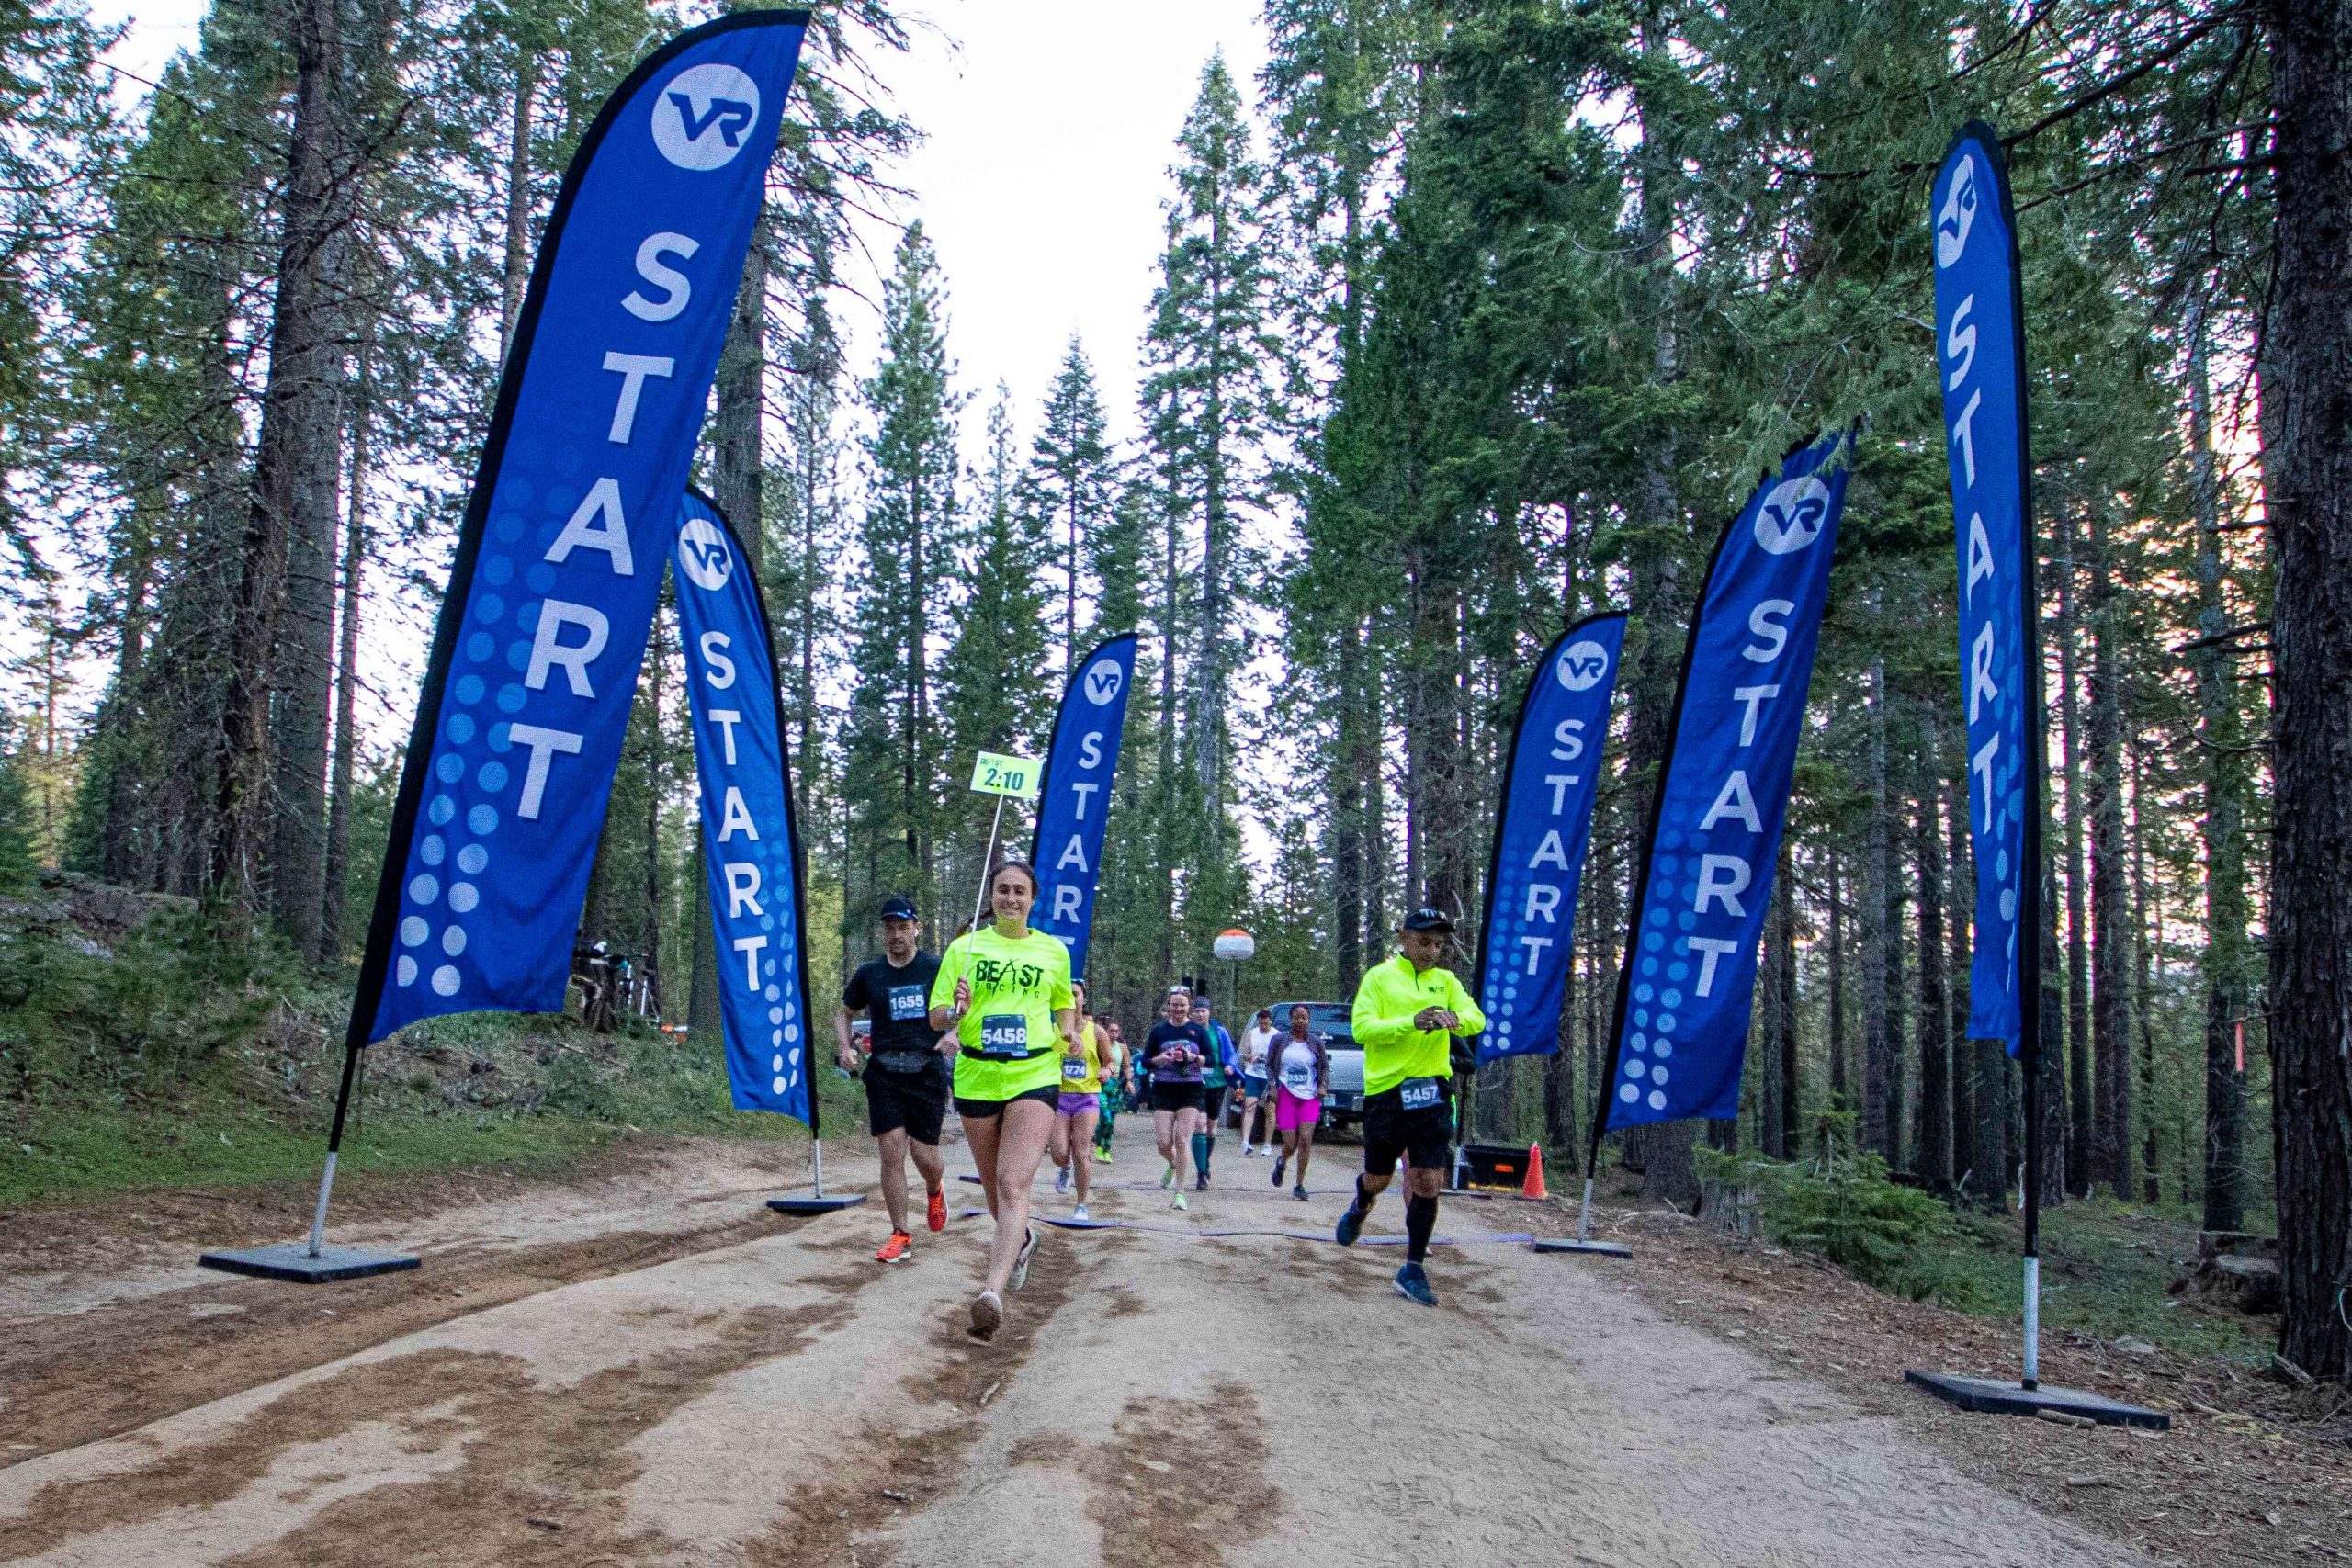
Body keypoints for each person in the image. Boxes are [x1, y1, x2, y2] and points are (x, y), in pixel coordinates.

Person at [930, 860, 1079, 1341]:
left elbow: (1063, 1004)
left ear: (1033, 898)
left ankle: (990, 1292)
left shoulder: (1053, 951)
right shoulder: (963, 948)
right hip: (976, 1073)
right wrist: (955, 1009)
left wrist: (1071, 1031)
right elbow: (936, 1017)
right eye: (1002, 890)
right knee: (995, 1186)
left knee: (1014, 1183)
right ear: (990, 896)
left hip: (1034, 1070)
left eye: (1019, 891)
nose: (1011, 899)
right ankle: (1025, 1239)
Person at [1333, 908, 1487, 1307]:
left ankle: (1413, 1267)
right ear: (1404, 938)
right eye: (1424, 942)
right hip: (1387, 1093)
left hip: (1434, 1092)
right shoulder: (1380, 978)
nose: (1432, 951)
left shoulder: (1446, 981)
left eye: (1439, 944)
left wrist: (1456, 1020)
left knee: (1427, 1180)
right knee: (1379, 1177)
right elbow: (1362, 1029)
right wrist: (1411, 1022)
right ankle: (1361, 1204)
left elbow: (1477, 1018)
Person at [836, 896, 948, 1263]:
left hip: (926, 1070)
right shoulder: (870, 973)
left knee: (924, 1155)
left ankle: (935, 1188)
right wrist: (845, 1047)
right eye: (889, 929)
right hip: (885, 1071)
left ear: (917, 927)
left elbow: (962, 1009)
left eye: (902, 927)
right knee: (892, 1151)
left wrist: (956, 1034)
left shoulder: (935, 967)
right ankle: (900, 1233)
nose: (896, 935)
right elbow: (844, 1014)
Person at [1048, 982, 1120, 1220]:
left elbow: (1110, 1061)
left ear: (1083, 1000)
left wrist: (1107, 1072)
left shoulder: (1097, 1032)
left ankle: (1081, 1204)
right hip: (1059, 1097)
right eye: (1065, 995)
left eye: (1075, 994)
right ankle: (1064, 1168)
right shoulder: (1052, 1029)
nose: (1070, 998)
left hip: (1087, 1097)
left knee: (1081, 1151)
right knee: (1059, 1152)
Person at [1142, 987, 1212, 1211]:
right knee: (1164, 1142)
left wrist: (1194, 1057)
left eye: (1182, 1005)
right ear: (1168, 1006)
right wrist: (1160, 1059)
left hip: (1190, 1087)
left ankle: (1180, 1192)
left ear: (1188, 1006)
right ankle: (1171, 1163)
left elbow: (1211, 1059)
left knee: (1183, 1139)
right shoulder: (1159, 1031)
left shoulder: (1197, 1031)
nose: (1179, 1009)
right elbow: (1145, 1061)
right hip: (1164, 1087)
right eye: (1175, 1005)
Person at [1268, 1003, 1329, 1201]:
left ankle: (1299, 1185)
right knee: (1290, 1142)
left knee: (1305, 1140)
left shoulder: (1316, 1043)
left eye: (1304, 1018)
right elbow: (1269, 1066)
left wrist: (1323, 1086)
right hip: (1287, 1094)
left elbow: (1325, 1068)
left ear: (1309, 1020)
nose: (1300, 1021)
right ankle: (1282, 1161)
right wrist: (1272, 1086)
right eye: (1296, 1017)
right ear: (1290, 1019)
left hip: (1310, 1096)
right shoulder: (1279, 1041)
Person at [1190, 994, 1237, 1189]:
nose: (1201, 1014)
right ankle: (1201, 1173)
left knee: (1210, 1128)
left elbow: (1231, 1054)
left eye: (1204, 1010)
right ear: (1192, 1013)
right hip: (1194, 1083)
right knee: (1199, 1125)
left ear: (1209, 1012)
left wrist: (1231, 1067)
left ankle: (1205, 1163)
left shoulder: (1220, 1032)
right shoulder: (1188, 1031)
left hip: (1216, 1083)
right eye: (1197, 1011)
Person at [1236, 1008, 1276, 1155]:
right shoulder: (1252, 1034)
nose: (1263, 1026)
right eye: (1261, 1023)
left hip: (1269, 1077)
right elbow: (1243, 1053)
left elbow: (1279, 1058)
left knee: (1269, 1110)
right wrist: (1251, 1057)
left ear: (1270, 1021)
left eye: (1265, 1023)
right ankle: (1246, 1142)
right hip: (1253, 1074)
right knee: (1249, 1107)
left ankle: (1267, 1144)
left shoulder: (1276, 1035)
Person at [1093, 1020, 1126, 1164]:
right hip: (1101, 1084)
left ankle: (1107, 1149)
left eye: (1116, 1031)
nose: (1114, 1034)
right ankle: (1098, 1146)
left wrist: (1130, 1081)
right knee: (1104, 1117)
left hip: (1115, 1086)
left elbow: (1127, 1066)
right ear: (1105, 1031)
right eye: (1111, 1030)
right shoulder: (1098, 1044)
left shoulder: (1122, 1048)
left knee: (1111, 1120)